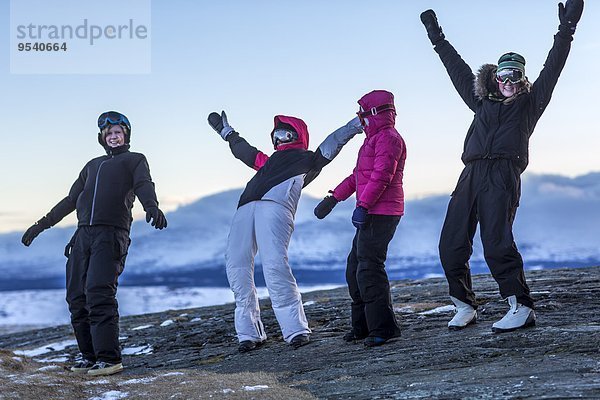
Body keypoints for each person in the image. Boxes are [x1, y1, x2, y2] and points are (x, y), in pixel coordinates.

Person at [419, 0, 584, 332]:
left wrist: (566, 31)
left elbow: (553, 68)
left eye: (516, 75)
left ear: (522, 79)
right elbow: (457, 68)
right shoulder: (480, 101)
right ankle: (464, 304)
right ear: (495, 76)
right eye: (503, 74)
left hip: (503, 175)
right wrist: (438, 38)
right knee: (451, 242)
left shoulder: (529, 105)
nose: (508, 80)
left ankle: (520, 306)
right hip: (470, 174)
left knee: (496, 242)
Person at [21, 111, 168, 375]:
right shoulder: (91, 166)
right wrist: (40, 225)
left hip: (111, 234)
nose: (113, 137)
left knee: (99, 292)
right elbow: (70, 201)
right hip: (82, 236)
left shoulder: (134, 160)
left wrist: (152, 206)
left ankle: (109, 359)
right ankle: (90, 357)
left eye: (118, 133)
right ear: (102, 138)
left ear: (126, 135)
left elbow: (144, 184)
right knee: (76, 296)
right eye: (109, 134)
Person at [208, 111, 362, 352]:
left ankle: (296, 330)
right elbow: (245, 152)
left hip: (276, 208)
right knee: (236, 264)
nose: (280, 138)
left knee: (274, 265)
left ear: (298, 136)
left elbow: (333, 141)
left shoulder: (308, 159)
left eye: (285, 133)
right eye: (276, 134)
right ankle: (248, 333)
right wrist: (227, 133)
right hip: (245, 207)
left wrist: (354, 125)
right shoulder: (267, 162)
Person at [313, 90, 407, 347]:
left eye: (362, 114)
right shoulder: (372, 140)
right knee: (354, 268)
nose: (360, 119)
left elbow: (382, 176)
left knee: (369, 268)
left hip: (382, 212)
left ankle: (384, 328)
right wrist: (333, 198)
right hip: (371, 211)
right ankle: (363, 326)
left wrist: (363, 205)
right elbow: (358, 176)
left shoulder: (389, 139)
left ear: (374, 113)